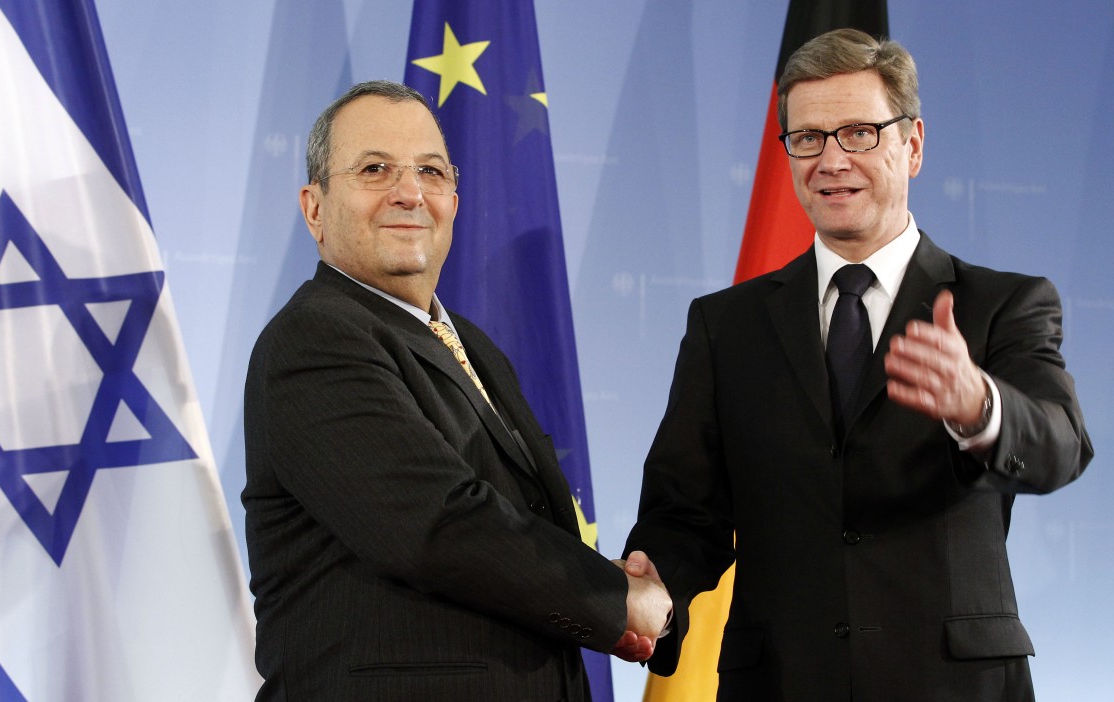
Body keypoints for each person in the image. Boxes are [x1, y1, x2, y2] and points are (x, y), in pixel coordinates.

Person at [623, 28, 1093, 702]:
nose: (831, 159)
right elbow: (685, 510)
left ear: (914, 144)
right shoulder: (726, 325)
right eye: (808, 138)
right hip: (780, 682)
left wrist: (979, 405)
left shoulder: (1001, 305)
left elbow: (1060, 445)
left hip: (954, 685)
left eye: (859, 133)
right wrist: (654, 579)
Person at [242, 80, 670, 701]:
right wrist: (613, 600)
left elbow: (523, 522)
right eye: (374, 169)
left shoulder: (473, 344)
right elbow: (436, 525)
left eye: (431, 171)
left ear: (453, 199)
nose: (410, 192)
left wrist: (606, 588)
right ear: (314, 207)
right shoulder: (314, 339)